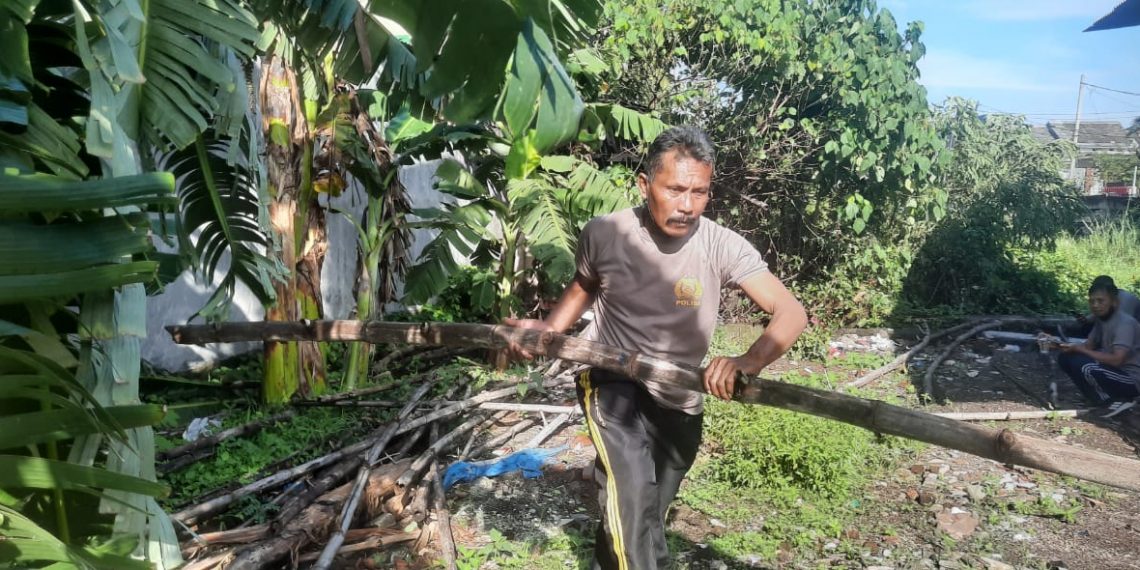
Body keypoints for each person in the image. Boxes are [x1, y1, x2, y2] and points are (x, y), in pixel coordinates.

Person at [505, 125, 807, 569]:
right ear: (645, 185)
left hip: (679, 398)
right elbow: (585, 285)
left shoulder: (720, 245)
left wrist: (749, 360)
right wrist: (549, 331)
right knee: (631, 494)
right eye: (675, 190)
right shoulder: (605, 233)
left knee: (644, 514)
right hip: (610, 379)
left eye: (699, 192)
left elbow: (791, 312)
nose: (687, 205)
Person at [1054, 279, 1140, 408]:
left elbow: (1116, 360)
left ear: (1114, 302)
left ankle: (1109, 402)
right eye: (1092, 301)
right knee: (1066, 358)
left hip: (1131, 378)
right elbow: (1088, 346)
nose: (1095, 305)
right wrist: (1057, 344)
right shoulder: (1101, 321)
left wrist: (1080, 349)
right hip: (1113, 371)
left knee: (1086, 367)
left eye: (1100, 301)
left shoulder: (1125, 324)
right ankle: (1096, 398)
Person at [1072, 275, 1140, 338]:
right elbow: (1100, 313)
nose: (1095, 305)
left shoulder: (1125, 299)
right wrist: (1086, 320)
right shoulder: (1110, 297)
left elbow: (1122, 325)